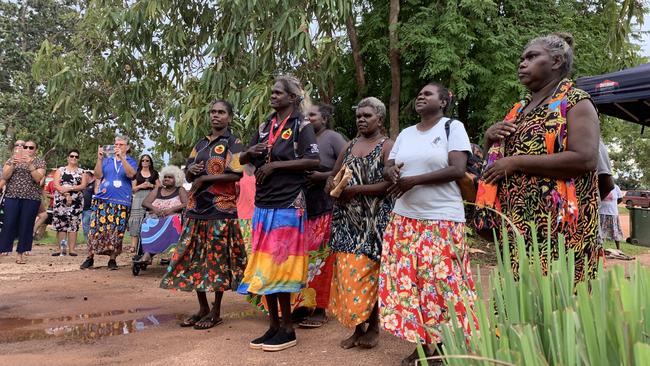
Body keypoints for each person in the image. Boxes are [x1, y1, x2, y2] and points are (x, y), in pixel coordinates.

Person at [477, 33, 602, 281]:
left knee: (557, 304)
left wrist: (516, 163)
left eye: (532, 56)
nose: (522, 63)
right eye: (522, 58)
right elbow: (496, 160)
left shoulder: (576, 101)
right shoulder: (520, 109)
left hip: (561, 230)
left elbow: (585, 158)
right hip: (520, 226)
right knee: (519, 305)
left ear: (556, 61)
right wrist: (489, 138)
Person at [380, 83, 478, 365]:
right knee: (414, 286)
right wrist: (392, 173)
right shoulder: (406, 134)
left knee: (443, 284)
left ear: (444, 101)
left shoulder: (452, 127)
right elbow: (389, 165)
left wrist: (414, 180)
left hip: (441, 219)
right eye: (419, 94)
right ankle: (424, 347)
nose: (421, 97)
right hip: (405, 218)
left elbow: (457, 169)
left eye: (428, 94)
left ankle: (448, 346)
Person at [237, 75, 320, 352]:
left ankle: (288, 328)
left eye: (278, 93)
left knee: (281, 266)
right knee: (264, 267)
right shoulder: (265, 126)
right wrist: (251, 151)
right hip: (264, 203)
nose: (272, 96)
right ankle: (273, 325)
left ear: (293, 98)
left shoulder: (301, 126)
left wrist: (275, 167)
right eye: (272, 92)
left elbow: (313, 160)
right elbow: (243, 159)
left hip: (288, 204)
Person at [160, 100, 247, 331]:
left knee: (216, 261)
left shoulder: (233, 143)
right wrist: (191, 172)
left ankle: (216, 311)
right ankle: (202, 308)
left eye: (221, 112)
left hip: (221, 210)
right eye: (212, 112)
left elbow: (237, 174)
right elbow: (188, 176)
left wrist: (205, 178)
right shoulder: (200, 144)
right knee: (193, 258)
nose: (215, 116)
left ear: (229, 117)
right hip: (197, 209)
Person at [327, 97, 394, 350]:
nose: (361, 119)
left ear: (380, 119)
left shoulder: (387, 145)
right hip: (347, 220)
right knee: (348, 274)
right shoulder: (350, 145)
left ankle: (373, 326)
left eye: (367, 116)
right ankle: (357, 327)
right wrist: (331, 185)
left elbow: (389, 184)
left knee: (371, 275)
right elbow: (333, 175)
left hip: (375, 220)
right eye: (359, 116)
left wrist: (357, 190)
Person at [292, 103, 347, 328]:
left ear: (324, 119)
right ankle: (303, 304)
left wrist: (323, 176)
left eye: (311, 115)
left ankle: (321, 308)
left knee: (322, 259)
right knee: (304, 260)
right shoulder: (301, 139)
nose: (307, 118)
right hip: (303, 208)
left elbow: (348, 165)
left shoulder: (332, 137)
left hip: (325, 206)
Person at [80, 136, 137, 270]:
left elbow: (131, 175)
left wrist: (122, 158)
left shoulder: (131, 161)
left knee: (117, 231)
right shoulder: (107, 160)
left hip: (122, 201)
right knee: (95, 229)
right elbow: (98, 175)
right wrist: (99, 159)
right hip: (103, 199)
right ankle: (90, 257)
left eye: (121, 144)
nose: (118, 146)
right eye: (116, 144)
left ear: (127, 147)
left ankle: (112, 259)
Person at [0, 140, 46, 264]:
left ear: (35, 150)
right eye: (25, 147)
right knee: (8, 224)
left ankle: (20, 254)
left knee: (26, 225)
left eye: (31, 148)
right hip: (12, 196)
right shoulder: (12, 159)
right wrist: (13, 165)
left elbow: (38, 178)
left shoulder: (39, 161)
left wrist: (30, 165)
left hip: (31, 198)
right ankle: (3, 250)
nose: (28, 149)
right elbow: (4, 176)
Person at [137, 165, 187, 264]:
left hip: (173, 216)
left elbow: (186, 203)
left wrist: (171, 209)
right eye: (165, 177)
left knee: (173, 220)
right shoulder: (158, 189)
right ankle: (147, 253)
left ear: (176, 179)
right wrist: (155, 209)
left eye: (170, 177)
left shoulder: (180, 190)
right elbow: (145, 203)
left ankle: (171, 254)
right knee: (147, 221)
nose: (166, 179)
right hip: (156, 216)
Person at [51, 149, 88, 256]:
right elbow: (56, 185)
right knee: (61, 225)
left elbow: (83, 185)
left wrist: (69, 189)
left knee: (73, 224)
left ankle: (72, 249)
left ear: (78, 159)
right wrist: (66, 194)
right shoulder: (60, 170)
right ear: (68, 157)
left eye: (76, 157)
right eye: (72, 156)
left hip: (76, 202)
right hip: (60, 201)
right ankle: (61, 249)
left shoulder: (82, 172)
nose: (74, 158)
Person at [128, 154, 159, 253]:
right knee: (135, 220)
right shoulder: (136, 174)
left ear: (150, 162)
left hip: (151, 197)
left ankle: (149, 244)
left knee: (150, 219)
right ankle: (133, 245)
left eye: (147, 160)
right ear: (140, 162)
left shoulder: (154, 173)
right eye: (143, 160)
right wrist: (141, 186)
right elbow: (133, 189)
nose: (145, 162)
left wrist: (151, 185)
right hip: (138, 198)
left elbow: (160, 187)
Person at [599, 184, 624, 249]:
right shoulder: (600, 186)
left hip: (613, 213)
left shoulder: (616, 187)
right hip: (602, 213)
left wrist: (613, 204)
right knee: (601, 232)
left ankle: (618, 249)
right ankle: (600, 249)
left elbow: (620, 199)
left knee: (615, 231)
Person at [81, 171, 96, 242]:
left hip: (90, 209)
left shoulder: (94, 184)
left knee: (86, 224)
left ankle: (90, 241)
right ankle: (88, 241)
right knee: (85, 225)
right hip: (83, 209)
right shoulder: (84, 185)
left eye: (85, 176)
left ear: (88, 176)